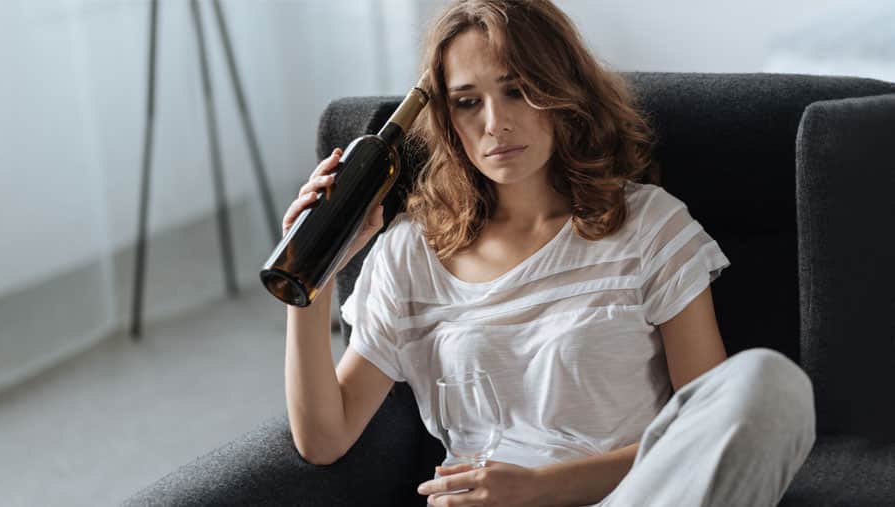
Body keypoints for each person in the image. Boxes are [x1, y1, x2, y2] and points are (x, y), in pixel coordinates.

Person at [282, 1, 816, 505]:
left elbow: (699, 435)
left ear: (562, 93)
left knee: (768, 384)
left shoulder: (648, 226)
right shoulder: (410, 254)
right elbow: (325, 439)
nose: (495, 123)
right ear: (447, 118)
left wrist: (539, 488)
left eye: (517, 91)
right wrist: (312, 273)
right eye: (468, 102)